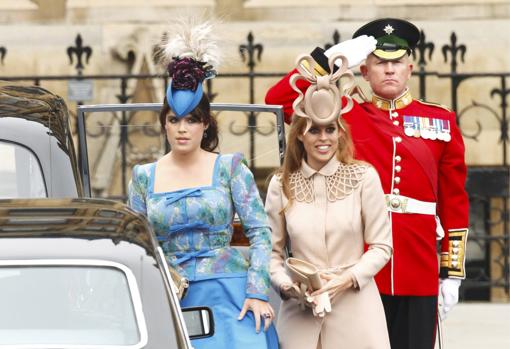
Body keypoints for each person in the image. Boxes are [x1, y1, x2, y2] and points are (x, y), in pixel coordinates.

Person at [265, 18, 469, 349]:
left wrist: (451, 273)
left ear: (410, 68)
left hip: (417, 264)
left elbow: (454, 200)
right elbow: (279, 101)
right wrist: (328, 59)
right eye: (380, 63)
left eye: (397, 62)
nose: (389, 70)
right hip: (356, 266)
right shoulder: (345, 113)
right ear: (364, 70)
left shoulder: (440, 120)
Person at [128, 19, 278, 349]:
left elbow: (260, 231)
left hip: (230, 293)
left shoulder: (230, 168)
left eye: (192, 120)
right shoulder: (143, 177)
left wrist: (256, 291)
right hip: (169, 293)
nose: (183, 128)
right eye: (174, 119)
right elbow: (135, 247)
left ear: (204, 124)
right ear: (164, 124)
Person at [265, 52, 392, 349]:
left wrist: (347, 279)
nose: (323, 138)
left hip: (357, 310)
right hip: (300, 312)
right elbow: (271, 254)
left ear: (340, 132)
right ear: (300, 136)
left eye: (330, 129)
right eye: (314, 130)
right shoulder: (280, 184)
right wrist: (286, 286)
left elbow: (382, 246)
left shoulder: (363, 177)